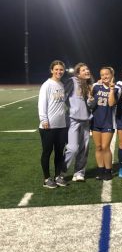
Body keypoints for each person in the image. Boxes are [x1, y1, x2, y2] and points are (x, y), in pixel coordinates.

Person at [38, 60, 68, 188]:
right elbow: (42, 103)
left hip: (61, 125)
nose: (59, 71)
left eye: (61, 69)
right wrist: (44, 119)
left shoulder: (61, 84)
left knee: (59, 153)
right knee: (47, 152)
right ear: (51, 70)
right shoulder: (47, 85)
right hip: (48, 126)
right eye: (56, 69)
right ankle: (46, 179)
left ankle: (57, 176)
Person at [62, 62, 93, 182]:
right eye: (83, 70)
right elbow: (63, 98)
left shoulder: (89, 85)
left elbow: (90, 105)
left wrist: (91, 100)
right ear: (78, 73)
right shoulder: (72, 81)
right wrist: (72, 109)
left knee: (84, 148)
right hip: (73, 120)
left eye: (87, 69)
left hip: (85, 121)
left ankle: (79, 172)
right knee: (72, 148)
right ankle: (61, 172)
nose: (87, 71)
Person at [88, 67, 118, 181]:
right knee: (98, 147)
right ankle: (100, 170)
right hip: (96, 120)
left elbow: (111, 103)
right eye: (102, 75)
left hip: (108, 121)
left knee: (105, 147)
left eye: (107, 74)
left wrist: (111, 90)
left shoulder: (116, 88)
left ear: (112, 75)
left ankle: (108, 170)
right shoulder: (96, 86)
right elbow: (90, 99)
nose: (105, 76)